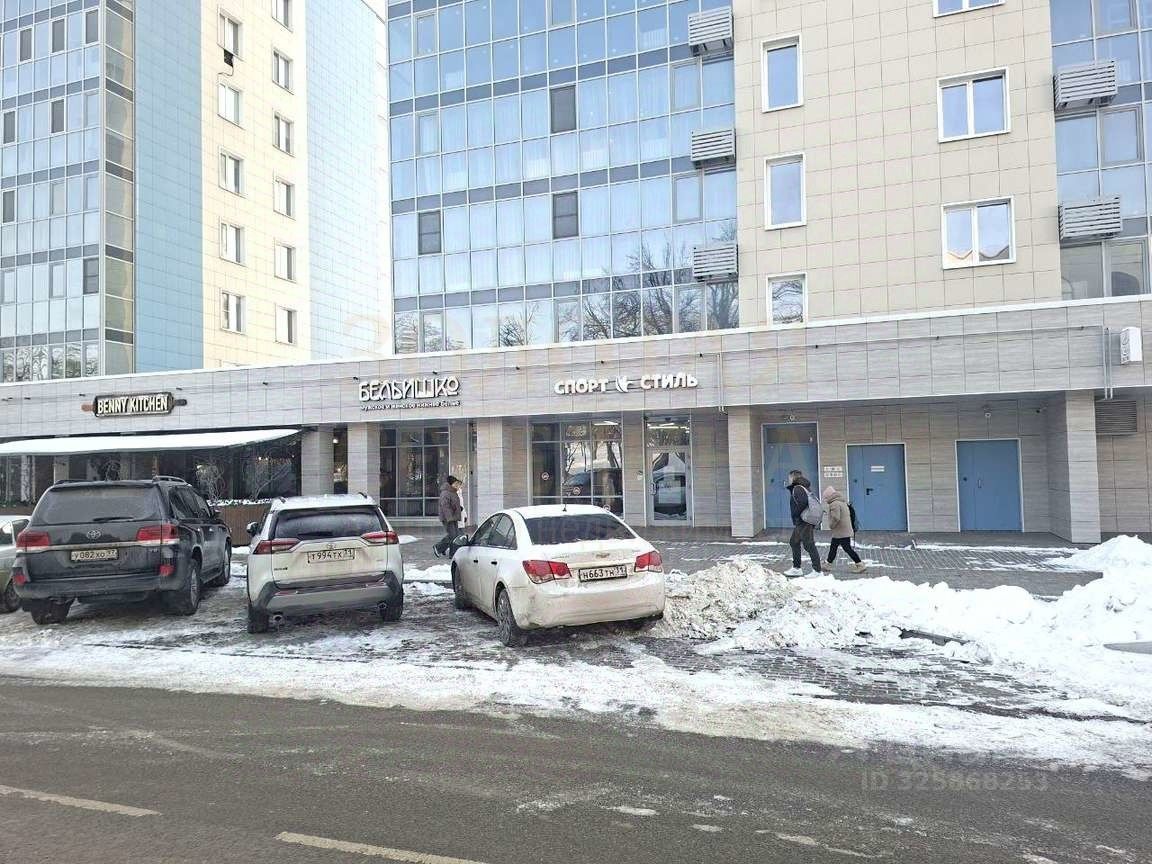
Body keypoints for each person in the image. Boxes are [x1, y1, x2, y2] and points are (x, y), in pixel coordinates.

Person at [784, 469, 822, 577]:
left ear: (793, 477)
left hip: (804, 521)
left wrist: (796, 514)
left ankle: (817, 570)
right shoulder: (803, 487)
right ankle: (797, 568)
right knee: (794, 542)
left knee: (809, 544)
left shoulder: (798, 488)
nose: (788, 479)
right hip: (802, 521)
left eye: (789, 477)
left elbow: (802, 503)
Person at [823, 486, 866, 573]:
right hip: (843, 530)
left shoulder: (834, 504)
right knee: (833, 547)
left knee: (847, 548)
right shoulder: (841, 501)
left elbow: (836, 517)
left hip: (841, 531)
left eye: (826, 497)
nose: (825, 499)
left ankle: (860, 564)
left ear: (829, 496)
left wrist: (831, 525)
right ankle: (828, 564)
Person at [433, 475, 464, 558]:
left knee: (455, 535)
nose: (457, 485)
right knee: (452, 535)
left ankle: (451, 553)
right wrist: (449, 518)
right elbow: (445, 507)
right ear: (451, 484)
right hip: (448, 518)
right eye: (455, 483)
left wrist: (459, 508)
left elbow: (453, 504)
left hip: (454, 517)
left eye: (457, 483)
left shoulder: (453, 492)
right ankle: (438, 548)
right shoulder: (445, 493)